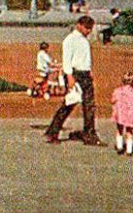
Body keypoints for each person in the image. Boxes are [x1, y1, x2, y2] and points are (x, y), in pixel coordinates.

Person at [44, 16, 104, 145]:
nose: (88, 31)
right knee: (69, 104)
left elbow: (85, 58)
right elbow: (67, 60)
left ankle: (89, 133)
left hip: (85, 73)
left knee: (89, 106)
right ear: (79, 25)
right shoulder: (69, 40)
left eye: (90, 29)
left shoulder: (85, 41)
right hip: (75, 74)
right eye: (86, 28)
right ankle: (52, 132)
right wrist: (70, 77)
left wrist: (89, 72)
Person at [111, 72, 133, 155]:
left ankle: (119, 147)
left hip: (120, 114)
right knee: (129, 132)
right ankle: (129, 151)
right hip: (130, 115)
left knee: (119, 130)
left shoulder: (117, 91)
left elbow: (112, 100)